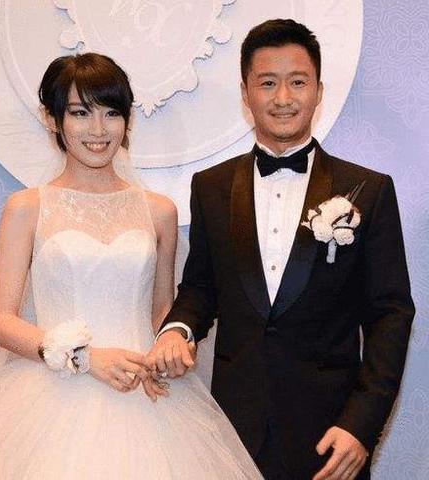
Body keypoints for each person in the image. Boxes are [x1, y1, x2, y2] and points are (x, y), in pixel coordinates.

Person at [0, 53, 262, 479]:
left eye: (111, 113)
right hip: (51, 398)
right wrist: (84, 358)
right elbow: (1, 321)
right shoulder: (26, 207)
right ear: (53, 119)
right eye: (80, 113)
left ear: (127, 121)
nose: (98, 130)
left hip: (144, 397)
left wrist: (172, 349)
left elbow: (161, 311)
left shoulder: (159, 212)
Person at [150, 19, 415, 480]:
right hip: (233, 430)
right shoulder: (210, 187)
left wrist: (360, 426)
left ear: (319, 90)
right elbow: (201, 288)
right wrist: (177, 329)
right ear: (246, 93)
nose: (283, 98)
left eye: (298, 82)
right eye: (267, 83)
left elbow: (390, 314)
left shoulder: (368, 189)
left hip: (331, 437)